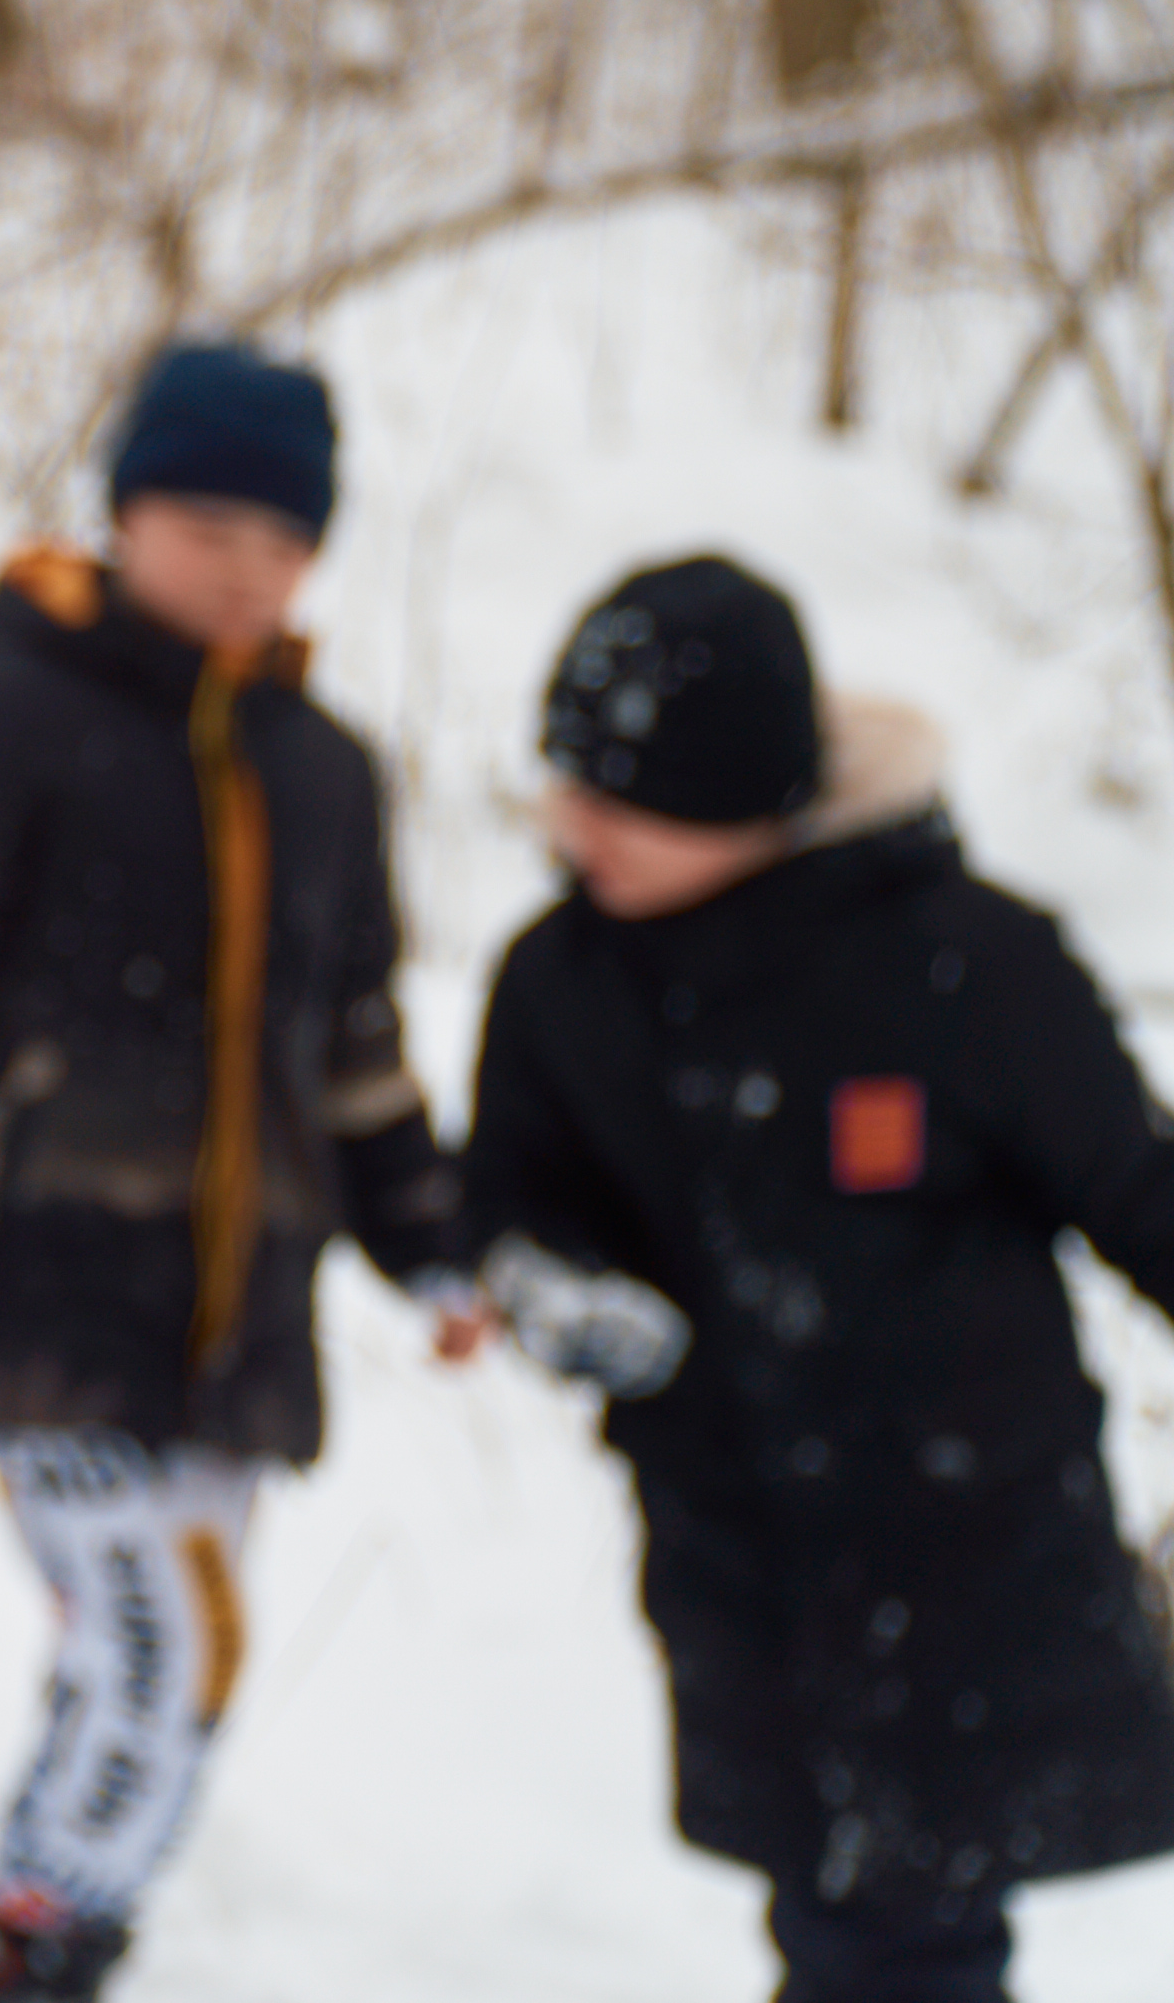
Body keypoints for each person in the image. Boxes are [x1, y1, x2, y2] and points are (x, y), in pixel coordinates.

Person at [0, 336, 477, 1997]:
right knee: (172, 1644)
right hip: (41, 1273)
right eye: (210, 529)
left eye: (284, 544)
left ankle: (45, 1930)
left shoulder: (328, 771)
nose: (246, 573)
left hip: (239, 1308)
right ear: (128, 515)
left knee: (141, 1658)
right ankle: (37, 1953)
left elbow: (358, 1049)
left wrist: (429, 1246)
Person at [467, 556, 1174, 2003]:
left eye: (620, 799)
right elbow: (514, 1203)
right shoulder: (563, 983)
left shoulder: (960, 966)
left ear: (750, 806)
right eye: (563, 782)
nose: (569, 823)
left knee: (903, 1930)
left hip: (966, 1547)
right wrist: (560, 1298)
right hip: (737, 1556)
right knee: (846, 1913)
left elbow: (1139, 1189)